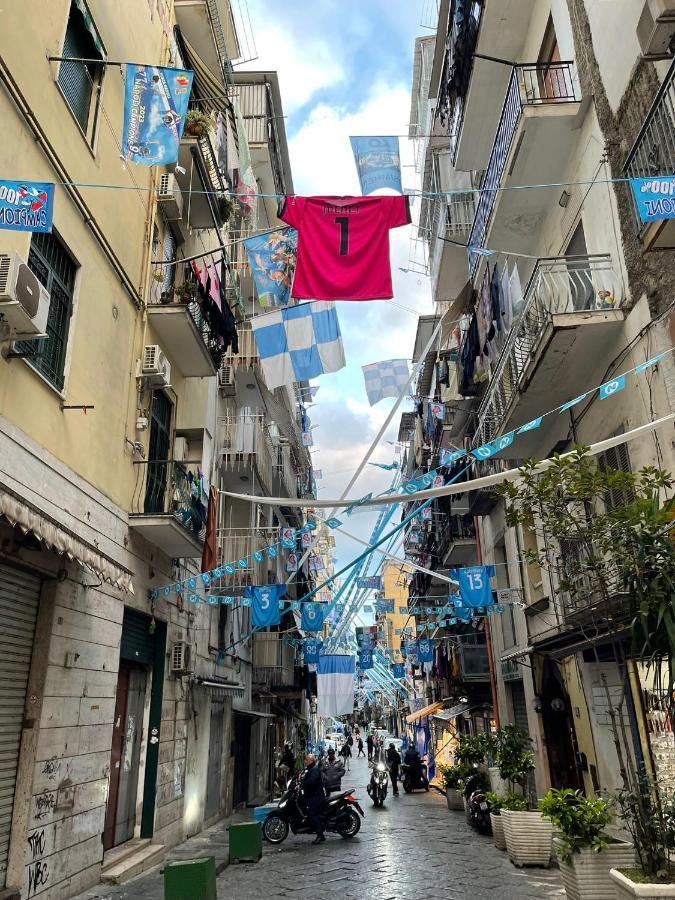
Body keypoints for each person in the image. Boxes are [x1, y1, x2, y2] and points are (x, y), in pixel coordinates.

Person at [301, 754, 327, 845]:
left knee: (312, 813)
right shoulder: (310, 769)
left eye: (306, 760)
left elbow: (311, 781)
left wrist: (302, 785)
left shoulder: (314, 770)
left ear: (311, 761)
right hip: (313, 795)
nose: (305, 761)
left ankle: (320, 835)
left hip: (316, 797)